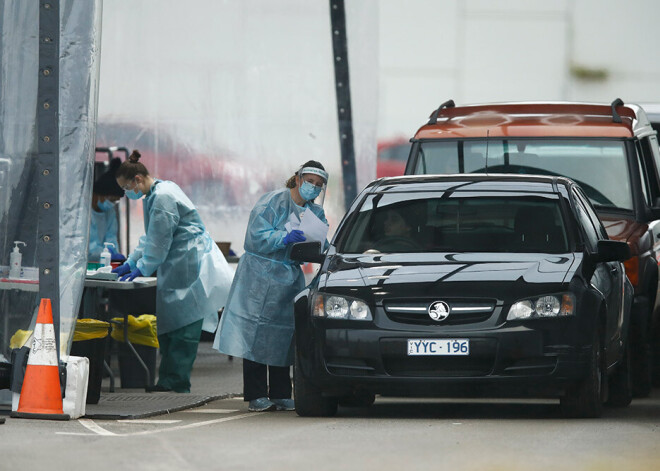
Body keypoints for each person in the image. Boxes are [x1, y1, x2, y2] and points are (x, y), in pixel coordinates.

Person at [111, 150, 233, 393]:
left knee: (184, 328)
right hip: (178, 266)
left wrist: (142, 267)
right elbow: (150, 237)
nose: (127, 194)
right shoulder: (156, 194)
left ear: (137, 179)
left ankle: (176, 383)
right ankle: (169, 380)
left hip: (189, 266)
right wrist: (132, 261)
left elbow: (158, 243)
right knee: (172, 326)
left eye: (126, 188)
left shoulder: (164, 197)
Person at [213, 161, 329, 412]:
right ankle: (255, 394)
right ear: (297, 179)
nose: (314, 188)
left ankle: (280, 392)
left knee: (282, 335)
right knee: (254, 333)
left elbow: (321, 242)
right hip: (259, 275)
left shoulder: (315, 213)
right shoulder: (272, 202)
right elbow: (255, 238)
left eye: (319, 185)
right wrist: (283, 237)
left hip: (288, 278)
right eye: (310, 181)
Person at [89, 157, 125, 262]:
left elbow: (111, 237)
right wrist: (104, 253)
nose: (111, 204)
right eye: (111, 200)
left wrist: (113, 252)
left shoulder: (109, 212)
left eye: (115, 201)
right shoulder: (83, 214)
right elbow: (86, 248)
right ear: (97, 195)